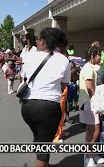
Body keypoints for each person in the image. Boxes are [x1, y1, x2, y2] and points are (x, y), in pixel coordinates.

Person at [21, 27, 71, 167]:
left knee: (41, 139)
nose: (37, 42)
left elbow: (25, 77)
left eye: (38, 39)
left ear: (43, 42)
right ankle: (42, 162)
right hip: (48, 108)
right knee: (44, 147)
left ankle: (43, 161)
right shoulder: (64, 60)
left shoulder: (30, 56)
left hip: (28, 107)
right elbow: (63, 86)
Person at [78, 45, 104, 167]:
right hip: (89, 103)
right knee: (95, 130)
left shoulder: (89, 67)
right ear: (93, 56)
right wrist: (97, 100)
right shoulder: (88, 68)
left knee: (91, 130)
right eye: (99, 55)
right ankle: (88, 157)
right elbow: (90, 87)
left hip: (88, 103)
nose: (100, 58)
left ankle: (91, 154)